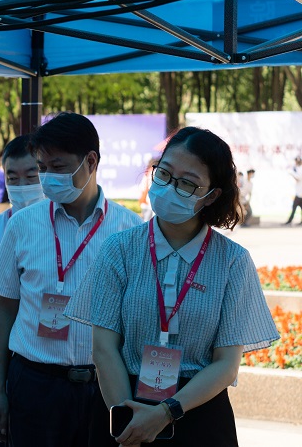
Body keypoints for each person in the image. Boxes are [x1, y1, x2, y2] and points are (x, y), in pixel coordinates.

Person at [65, 127, 279, 446]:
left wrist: (166, 412)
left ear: (212, 195)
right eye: (164, 173)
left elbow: (226, 363)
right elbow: (104, 348)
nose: (170, 187)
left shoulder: (232, 261)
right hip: (122, 408)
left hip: (198, 413)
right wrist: (129, 421)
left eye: (187, 183)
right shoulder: (119, 249)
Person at [0, 112, 142, 447]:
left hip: (105, 387)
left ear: (91, 161)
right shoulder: (23, 225)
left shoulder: (130, 230)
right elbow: (5, 312)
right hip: (35, 385)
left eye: (57, 167)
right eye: (42, 167)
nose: (47, 178)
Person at [0, 134, 45, 447]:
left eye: (32, 176)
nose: (22, 185)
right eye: (13, 178)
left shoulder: (65, 231)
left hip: (46, 378)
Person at [284, 156, 302, 225]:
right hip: (299, 192)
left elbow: (298, 178)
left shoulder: (299, 169)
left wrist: (291, 173)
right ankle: (290, 220)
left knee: (294, 207)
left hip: (299, 193)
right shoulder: (297, 168)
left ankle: (289, 221)